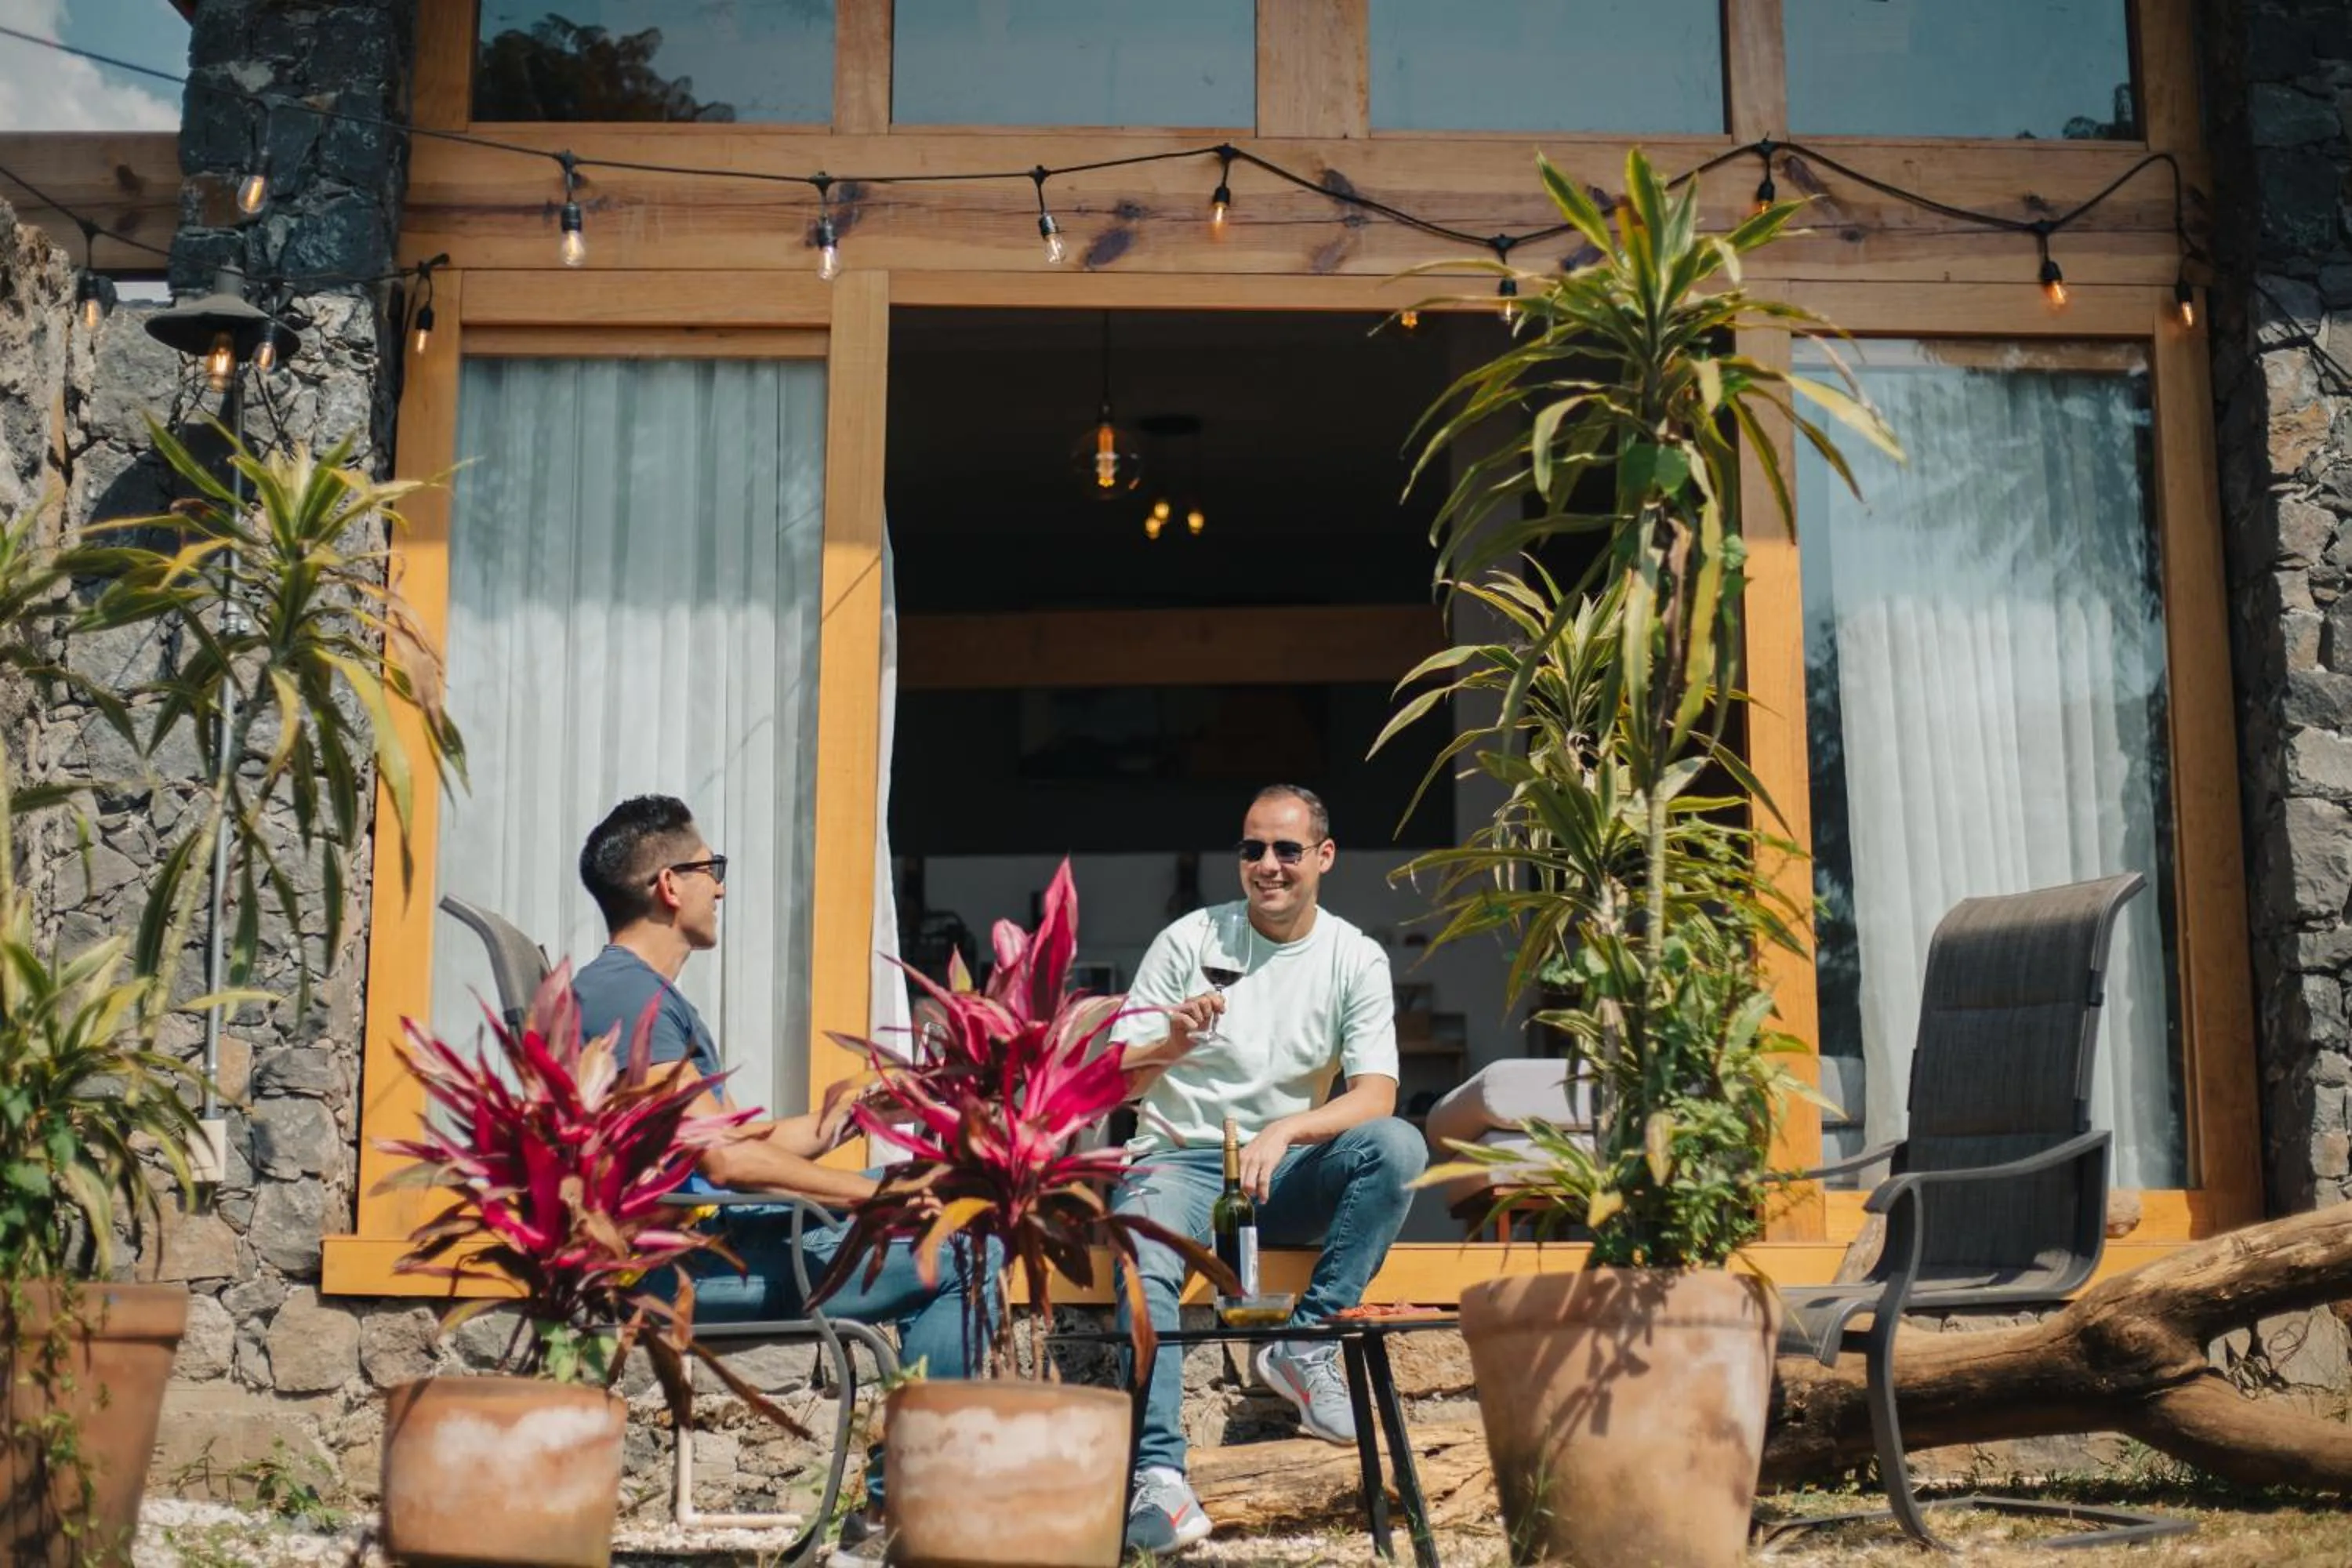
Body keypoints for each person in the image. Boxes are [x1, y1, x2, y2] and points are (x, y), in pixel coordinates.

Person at [568, 794, 992, 1568]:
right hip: (687, 1268)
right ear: (670, 885)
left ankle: (900, 1504)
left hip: (713, 1241)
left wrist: (844, 1123)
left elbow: (727, 1142)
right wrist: (873, 1193)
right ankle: (898, 1509)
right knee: (962, 1251)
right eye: (711, 869)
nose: (719, 887)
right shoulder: (632, 998)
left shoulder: (631, 991)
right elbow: (727, 1165)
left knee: (951, 1207)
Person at [1108, 783, 1428, 1555]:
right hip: (1182, 1158)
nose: (1269, 864)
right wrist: (1173, 1043)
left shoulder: (1354, 954)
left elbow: (1376, 1094)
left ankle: (1304, 1342)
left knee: (1398, 1147)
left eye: (1287, 848)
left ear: (1324, 856)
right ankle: (1158, 1475)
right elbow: (1118, 1078)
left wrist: (1287, 1128)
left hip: (1282, 1168)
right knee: (1139, 1249)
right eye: (1253, 848)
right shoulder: (1189, 941)